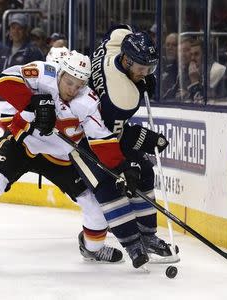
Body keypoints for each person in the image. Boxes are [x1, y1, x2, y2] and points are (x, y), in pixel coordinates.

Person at [0, 50, 123, 265]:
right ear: (60, 73)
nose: (73, 90)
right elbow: (3, 84)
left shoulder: (88, 101)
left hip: (62, 156)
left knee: (96, 205)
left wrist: (119, 168)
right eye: (69, 83)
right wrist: (34, 103)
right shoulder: (43, 73)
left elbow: (101, 139)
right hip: (23, 145)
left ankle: (93, 248)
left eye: (79, 85)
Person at [85, 24, 178, 269]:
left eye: (151, 68)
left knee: (145, 170)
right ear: (126, 61)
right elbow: (109, 140)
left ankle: (147, 236)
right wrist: (139, 140)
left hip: (100, 121)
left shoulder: (117, 41)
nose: (146, 73)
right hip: (83, 136)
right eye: (141, 68)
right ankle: (131, 242)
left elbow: (117, 30)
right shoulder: (121, 98)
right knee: (111, 181)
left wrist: (141, 78)